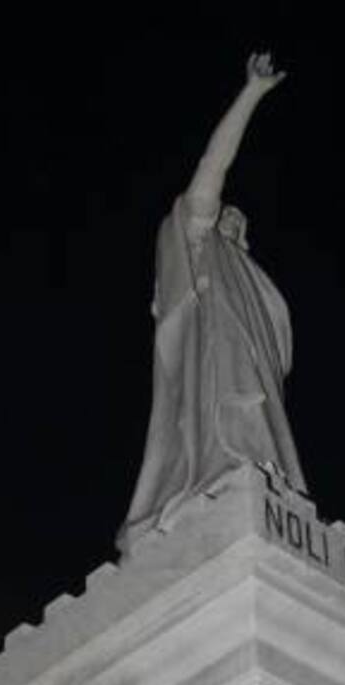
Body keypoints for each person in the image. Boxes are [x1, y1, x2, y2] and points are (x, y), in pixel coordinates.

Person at [118, 52, 307, 553]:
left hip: (254, 382)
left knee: (261, 446)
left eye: (239, 223)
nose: (231, 221)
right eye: (225, 215)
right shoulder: (199, 242)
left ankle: (264, 488)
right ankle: (222, 482)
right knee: (233, 438)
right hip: (218, 374)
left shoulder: (249, 278)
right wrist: (252, 93)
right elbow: (213, 166)